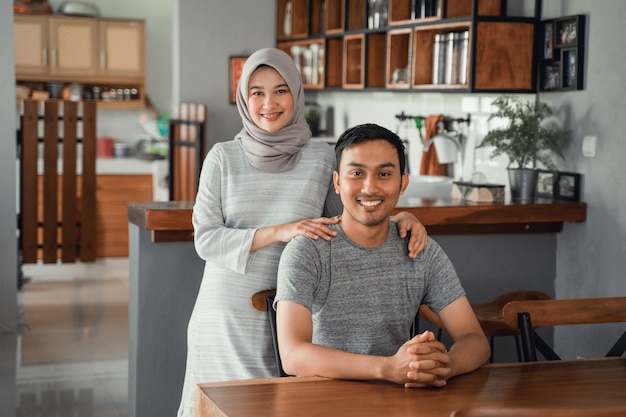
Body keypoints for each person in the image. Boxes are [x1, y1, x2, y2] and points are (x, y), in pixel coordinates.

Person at [176, 49, 428, 417]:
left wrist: (401, 216)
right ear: (244, 98)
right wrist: (282, 231)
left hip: (292, 308)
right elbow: (206, 239)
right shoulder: (222, 157)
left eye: (280, 90)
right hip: (224, 314)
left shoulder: (322, 157)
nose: (269, 103)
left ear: (296, 93)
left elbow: (349, 218)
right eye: (257, 93)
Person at [275, 123, 490, 388]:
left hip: (400, 399)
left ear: (403, 183)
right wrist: (387, 368)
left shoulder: (419, 247)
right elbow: (292, 355)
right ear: (337, 182)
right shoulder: (308, 250)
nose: (370, 187)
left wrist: (442, 367)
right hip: (324, 399)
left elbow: (475, 339)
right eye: (356, 173)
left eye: (384, 174)